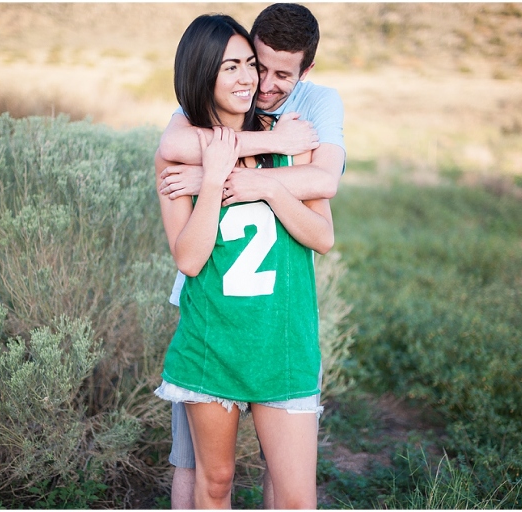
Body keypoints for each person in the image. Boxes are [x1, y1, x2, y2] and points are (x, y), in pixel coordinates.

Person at [158, 3, 346, 509]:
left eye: (251, 66)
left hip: (283, 339)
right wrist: (214, 177)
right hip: (212, 339)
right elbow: (189, 260)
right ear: (205, 74)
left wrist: (261, 185)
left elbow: (323, 235)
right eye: (237, 66)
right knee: (213, 482)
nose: (252, 80)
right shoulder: (182, 148)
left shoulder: (295, 134)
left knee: (296, 498)